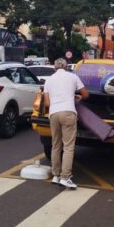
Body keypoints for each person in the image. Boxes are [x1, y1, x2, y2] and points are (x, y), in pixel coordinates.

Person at [43, 58, 89, 189]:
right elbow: (86, 94)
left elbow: (47, 103)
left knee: (56, 145)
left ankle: (56, 175)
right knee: (68, 147)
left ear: (54, 68)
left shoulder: (49, 80)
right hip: (68, 112)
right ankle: (65, 177)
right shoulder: (73, 77)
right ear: (67, 67)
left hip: (54, 113)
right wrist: (78, 97)